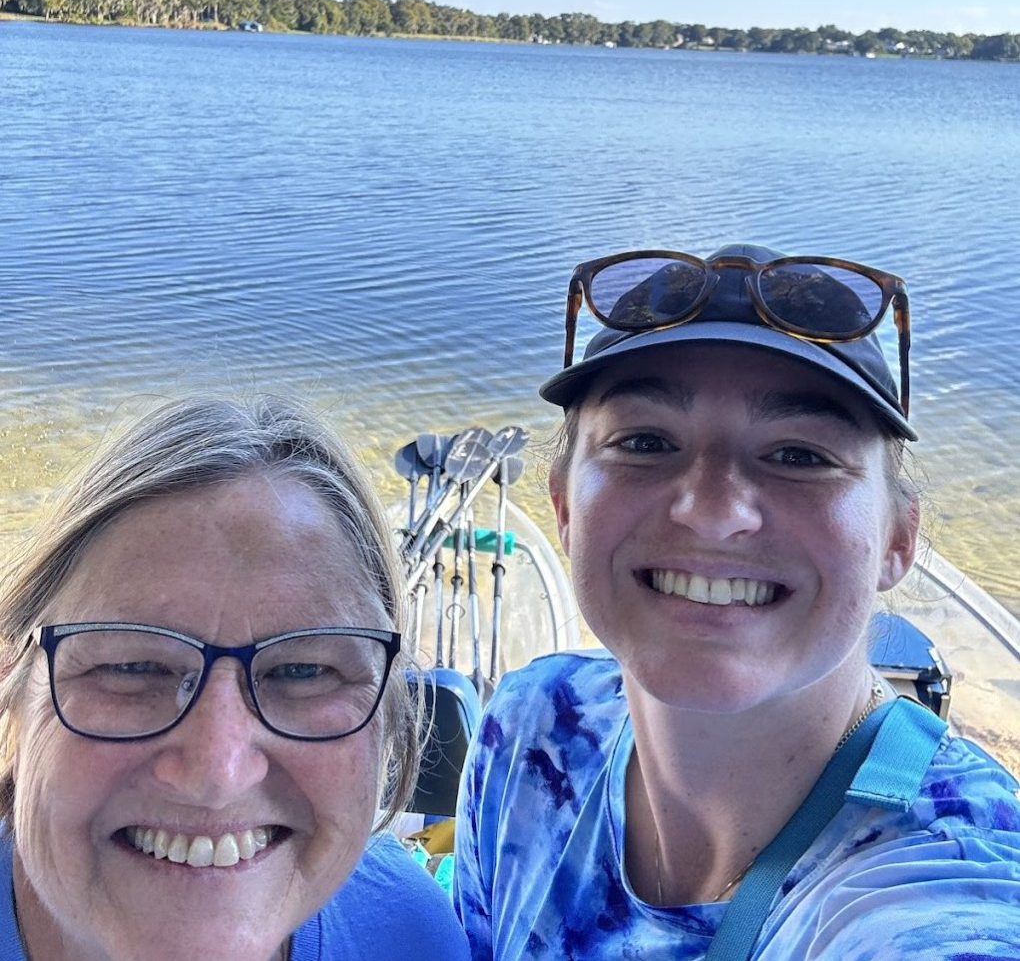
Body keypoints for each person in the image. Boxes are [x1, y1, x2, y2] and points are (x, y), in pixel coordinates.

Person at [454, 244, 1020, 959]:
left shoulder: (947, 884)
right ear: (565, 506)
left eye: (799, 455)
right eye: (646, 441)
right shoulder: (533, 731)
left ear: (896, 539)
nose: (713, 510)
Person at [0, 396, 470, 961]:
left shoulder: (410, 933)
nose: (217, 773)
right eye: (131, 667)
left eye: (303, 671)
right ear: (13, 688)